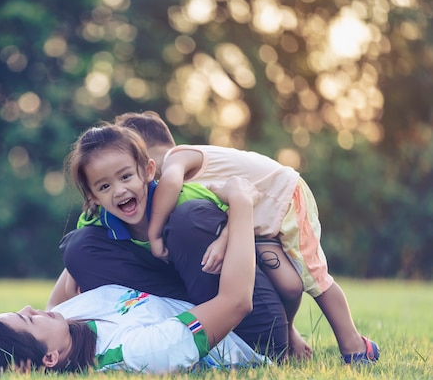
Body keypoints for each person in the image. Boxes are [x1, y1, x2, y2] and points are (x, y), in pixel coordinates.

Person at [114, 110, 380, 364]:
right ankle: (289, 336)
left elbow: (171, 182)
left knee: (314, 277)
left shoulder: (177, 157)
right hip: (257, 220)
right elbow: (230, 210)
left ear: (144, 153)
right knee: (289, 284)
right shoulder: (193, 183)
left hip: (283, 200)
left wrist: (155, 234)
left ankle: (354, 345)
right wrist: (222, 240)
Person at [0, 177, 267, 374]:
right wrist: (240, 203)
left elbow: (77, 259)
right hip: (247, 332)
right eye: (30, 320)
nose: (32, 309)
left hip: (179, 291)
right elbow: (235, 302)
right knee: (189, 220)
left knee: (80, 245)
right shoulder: (140, 353)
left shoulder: (63, 322)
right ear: (49, 358)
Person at [49, 123, 289, 361]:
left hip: (254, 328)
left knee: (189, 218)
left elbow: (246, 211)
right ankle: (177, 331)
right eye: (105, 186)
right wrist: (42, 324)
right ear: (94, 196)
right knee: (78, 248)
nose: (120, 190)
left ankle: (259, 334)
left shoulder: (185, 194)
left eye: (126, 176)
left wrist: (225, 237)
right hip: (183, 317)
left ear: (148, 171)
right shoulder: (98, 224)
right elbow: (67, 284)